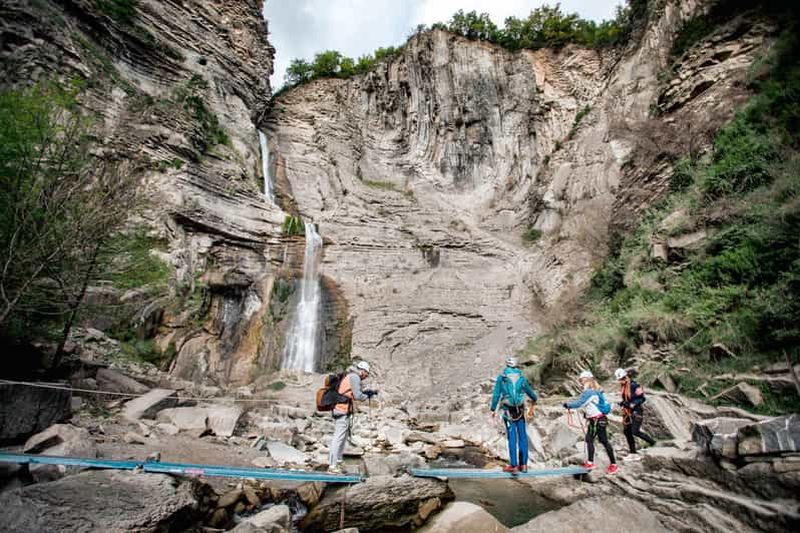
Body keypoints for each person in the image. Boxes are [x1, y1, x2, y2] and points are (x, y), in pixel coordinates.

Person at [563, 370, 618, 474]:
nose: (581, 381)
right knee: (592, 440)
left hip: (597, 421)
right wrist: (587, 414)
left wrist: (568, 405)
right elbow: (591, 406)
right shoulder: (597, 391)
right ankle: (593, 462)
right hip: (598, 420)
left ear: (587, 379)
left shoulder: (589, 392)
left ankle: (610, 464)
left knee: (600, 441)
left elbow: (580, 403)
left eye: (582, 379)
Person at [490, 356, 539, 473]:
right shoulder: (521, 378)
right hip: (520, 411)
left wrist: (493, 409)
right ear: (516, 366)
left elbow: (496, 394)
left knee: (512, 437)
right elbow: (531, 394)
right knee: (522, 437)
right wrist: (534, 399)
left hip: (508, 411)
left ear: (507, 365)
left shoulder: (502, 377)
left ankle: (513, 465)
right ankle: (524, 465)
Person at [328, 361, 377, 473]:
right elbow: (358, 396)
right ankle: (332, 465)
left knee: (343, 437)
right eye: (366, 374)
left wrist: (366, 392)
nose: (365, 376)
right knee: (338, 438)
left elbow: (352, 393)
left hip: (342, 409)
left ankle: (338, 462)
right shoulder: (355, 377)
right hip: (342, 410)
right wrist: (368, 395)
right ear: (362, 370)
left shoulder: (350, 376)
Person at [615, 368, 656, 458]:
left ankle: (652, 442)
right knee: (627, 431)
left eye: (621, 379)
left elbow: (642, 398)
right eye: (619, 380)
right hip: (627, 411)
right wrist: (622, 403)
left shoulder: (635, 385)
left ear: (626, 377)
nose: (620, 381)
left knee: (635, 431)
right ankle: (632, 451)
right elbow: (625, 398)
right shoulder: (623, 386)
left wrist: (633, 404)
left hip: (636, 411)